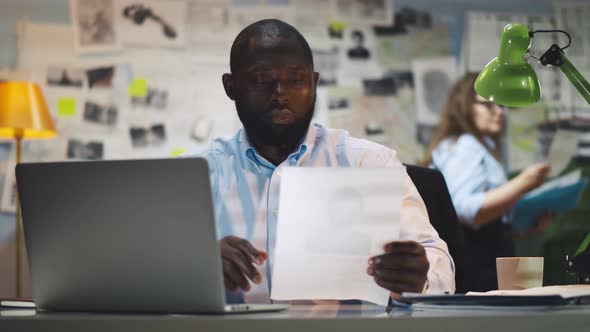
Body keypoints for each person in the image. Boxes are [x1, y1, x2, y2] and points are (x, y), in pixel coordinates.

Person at [194, 19, 454, 304]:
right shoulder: (196, 175)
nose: (280, 94)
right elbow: (149, 269)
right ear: (231, 86)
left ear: (314, 83)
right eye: (261, 80)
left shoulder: (372, 163)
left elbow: (439, 263)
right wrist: (195, 263)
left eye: (296, 80)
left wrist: (421, 277)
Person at [421, 73, 551, 292]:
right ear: (464, 107)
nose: (499, 111)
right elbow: (465, 210)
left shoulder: (478, 146)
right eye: (488, 105)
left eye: (500, 105)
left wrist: (525, 228)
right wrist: (525, 182)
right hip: (475, 268)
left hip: (484, 260)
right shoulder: (465, 146)